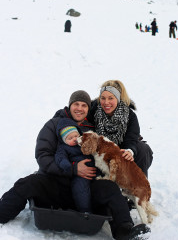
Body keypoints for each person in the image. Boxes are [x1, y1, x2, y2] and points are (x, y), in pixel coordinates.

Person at [0, 90, 150, 240]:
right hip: (57, 183)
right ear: (70, 105)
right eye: (76, 104)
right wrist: (73, 168)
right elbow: (43, 156)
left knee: (110, 189)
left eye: (84, 105)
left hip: (87, 186)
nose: (79, 108)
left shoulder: (93, 130)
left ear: (88, 108)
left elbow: (104, 155)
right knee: (28, 183)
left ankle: (125, 230)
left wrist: (129, 150)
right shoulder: (54, 124)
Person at [88, 80, 153, 177]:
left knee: (143, 149)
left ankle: (137, 186)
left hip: (121, 149)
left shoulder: (129, 115)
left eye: (111, 98)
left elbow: (132, 136)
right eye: (103, 98)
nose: (106, 102)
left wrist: (130, 150)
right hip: (99, 153)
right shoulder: (93, 110)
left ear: (118, 98)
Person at [55, 118, 95, 213]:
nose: (75, 139)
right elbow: (60, 158)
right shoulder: (63, 148)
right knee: (80, 189)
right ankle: (85, 210)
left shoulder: (84, 142)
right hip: (80, 175)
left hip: (94, 169)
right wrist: (67, 165)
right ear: (64, 140)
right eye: (70, 138)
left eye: (76, 136)